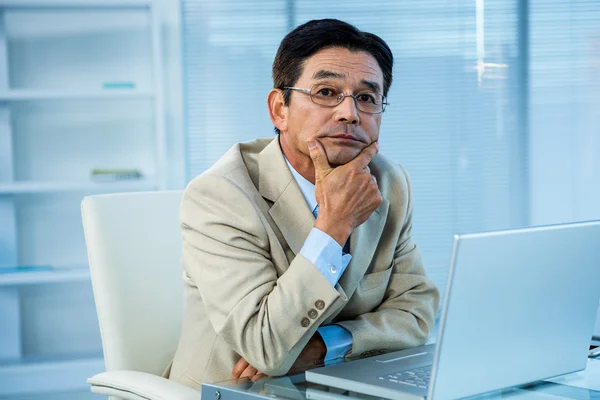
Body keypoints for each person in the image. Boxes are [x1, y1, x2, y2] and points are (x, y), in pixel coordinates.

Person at [167, 18, 440, 389]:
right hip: (232, 392)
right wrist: (335, 223)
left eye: (366, 97)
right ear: (280, 109)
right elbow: (265, 346)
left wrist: (324, 346)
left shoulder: (390, 182)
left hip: (337, 386)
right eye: (326, 92)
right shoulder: (219, 195)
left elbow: (418, 314)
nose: (349, 113)